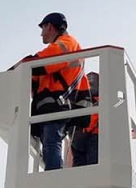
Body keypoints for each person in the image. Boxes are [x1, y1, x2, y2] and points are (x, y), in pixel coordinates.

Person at [15, 12, 90, 171]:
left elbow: (42, 63)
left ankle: (54, 174)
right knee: (49, 142)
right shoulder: (68, 46)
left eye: (42, 28)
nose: (41, 33)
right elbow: (42, 73)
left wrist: (18, 68)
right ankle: (53, 172)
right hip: (55, 103)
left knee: (51, 141)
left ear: (49, 26)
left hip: (57, 104)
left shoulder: (66, 43)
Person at [69, 70, 100, 167]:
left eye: (92, 83)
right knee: (79, 168)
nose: (90, 86)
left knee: (92, 165)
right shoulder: (80, 101)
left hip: (93, 137)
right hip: (78, 139)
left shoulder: (101, 101)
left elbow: (94, 117)